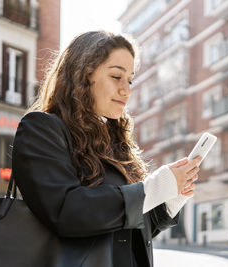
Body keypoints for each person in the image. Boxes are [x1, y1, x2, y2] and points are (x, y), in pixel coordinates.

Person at [12, 31, 201, 267]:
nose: (127, 90)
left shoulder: (113, 142)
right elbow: (65, 212)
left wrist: (171, 199)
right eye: (116, 76)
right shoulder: (41, 128)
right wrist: (153, 188)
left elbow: (126, 233)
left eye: (130, 80)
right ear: (83, 75)